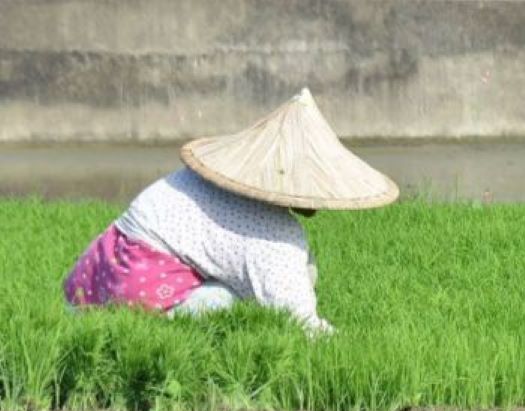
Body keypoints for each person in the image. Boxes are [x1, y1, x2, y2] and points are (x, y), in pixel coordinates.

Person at [63, 88, 399, 334]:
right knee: (239, 306)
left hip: (96, 273)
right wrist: (348, 340)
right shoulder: (275, 234)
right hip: (143, 293)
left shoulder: (193, 180)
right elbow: (299, 322)